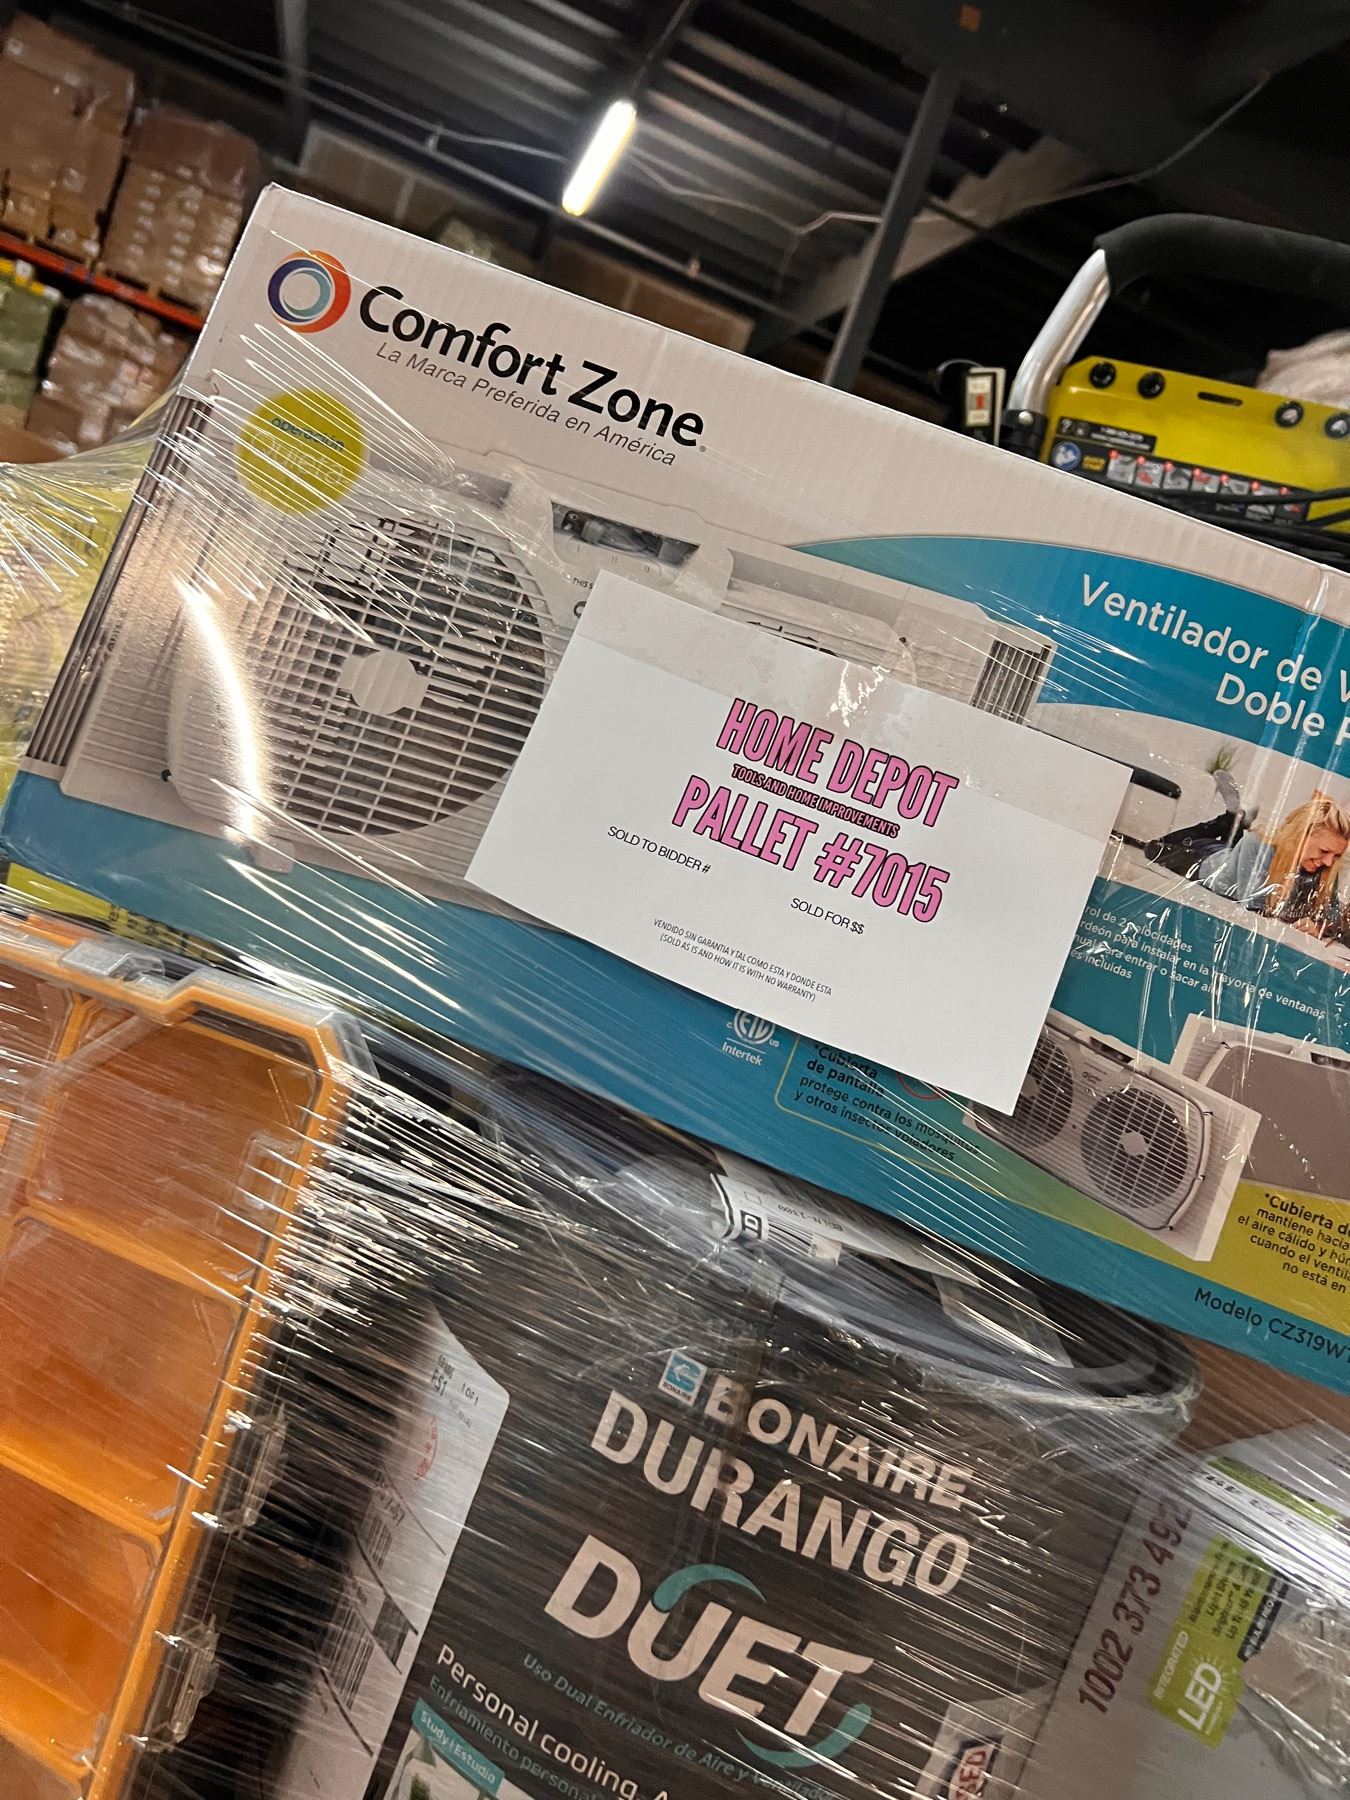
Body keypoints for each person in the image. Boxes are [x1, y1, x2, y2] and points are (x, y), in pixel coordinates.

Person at [1195, 791, 1350, 938]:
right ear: (1300, 837)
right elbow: (1254, 909)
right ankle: (1226, 822)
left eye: (1336, 855)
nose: (1329, 861)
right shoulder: (1258, 845)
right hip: (1202, 858)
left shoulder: (1326, 865)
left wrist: (1318, 927)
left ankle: (1234, 824)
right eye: (1323, 851)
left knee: (1233, 843)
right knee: (1182, 841)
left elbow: (1333, 917)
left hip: (1237, 854)